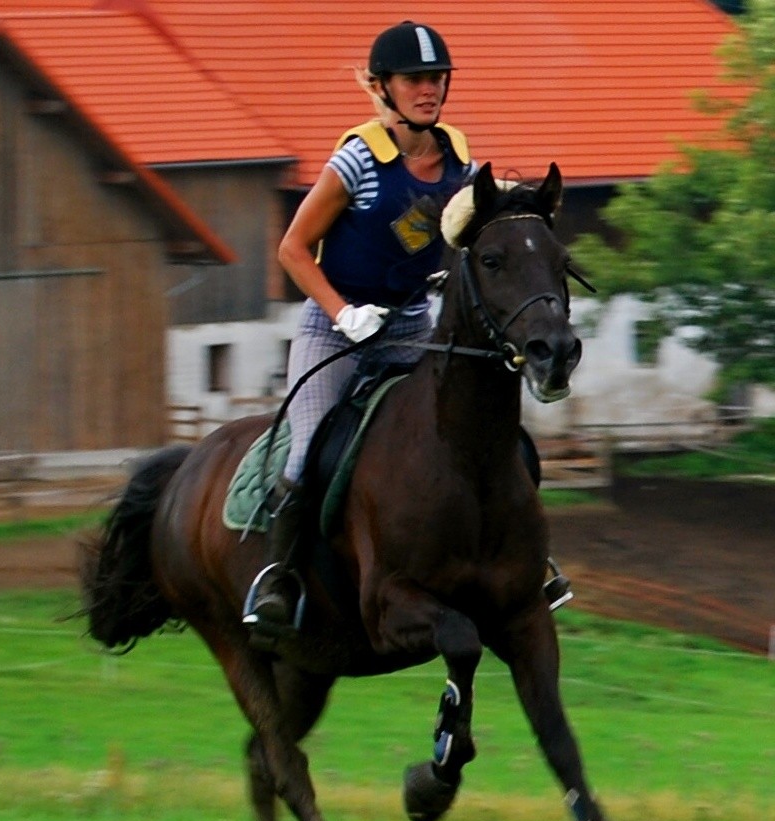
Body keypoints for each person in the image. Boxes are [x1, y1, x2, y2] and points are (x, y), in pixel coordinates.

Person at [243, 21, 570, 638]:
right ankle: (278, 581)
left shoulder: (458, 157)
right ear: (383, 88)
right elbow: (291, 248)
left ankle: (528, 561)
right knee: (309, 448)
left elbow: (479, 228)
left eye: (436, 79)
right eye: (415, 80)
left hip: (413, 326)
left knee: (478, 435)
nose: (428, 90)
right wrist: (343, 312)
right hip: (333, 330)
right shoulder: (358, 160)